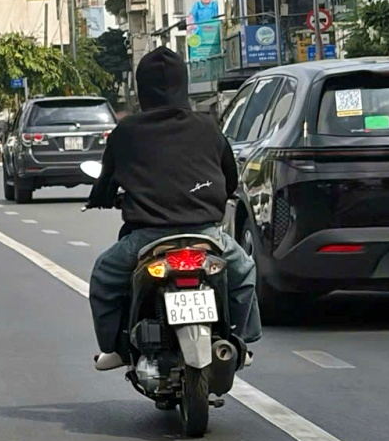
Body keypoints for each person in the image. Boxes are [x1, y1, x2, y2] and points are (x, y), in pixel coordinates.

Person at [85, 46, 261, 372]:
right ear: (183, 83)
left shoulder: (126, 132)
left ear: (142, 88)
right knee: (244, 271)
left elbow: (106, 182)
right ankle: (242, 341)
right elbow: (230, 177)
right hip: (206, 235)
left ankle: (116, 349)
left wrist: (101, 198)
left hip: (148, 239)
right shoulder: (207, 126)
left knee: (104, 276)